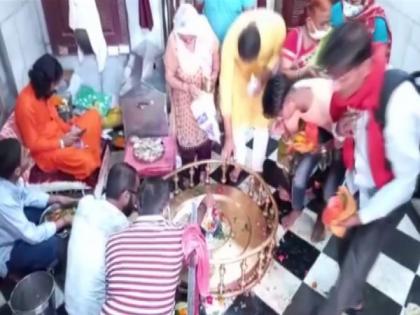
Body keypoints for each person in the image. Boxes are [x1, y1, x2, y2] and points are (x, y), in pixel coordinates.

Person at [314, 22, 420, 315]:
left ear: (365, 66)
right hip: (357, 181)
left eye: (341, 78)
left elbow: (406, 182)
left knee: (355, 265)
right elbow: (344, 135)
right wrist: (340, 128)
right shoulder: (353, 89)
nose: (336, 86)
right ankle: (354, 298)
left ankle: (341, 301)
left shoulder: (398, 103)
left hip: (387, 196)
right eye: (332, 77)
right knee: (343, 246)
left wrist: (362, 216)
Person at [262, 74, 345, 241]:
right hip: (320, 133)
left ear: (288, 102)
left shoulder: (327, 97)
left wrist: (322, 149)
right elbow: (291, 135)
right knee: (299, 175)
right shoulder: (292, 97)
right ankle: (296, 209)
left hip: (344, 139)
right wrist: (285, 133)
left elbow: (339, 142)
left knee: (329, 192)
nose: (280, 119)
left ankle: (324, 215)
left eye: (280, 115)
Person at [101, 178, 185, 315]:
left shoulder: (112, 241)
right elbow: (196, 234)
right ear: (166, 208)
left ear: (137, 204)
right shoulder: (178, 236)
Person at [65, 162, 139, 315]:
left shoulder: (86, 203)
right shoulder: (121, 226)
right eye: (136, 193)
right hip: (94, 311)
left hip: (70, 305)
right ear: (125, 196)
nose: (137, 199)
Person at [220, 9, 286, 181]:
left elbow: (278, 54)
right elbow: (225, 89)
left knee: (262, 125)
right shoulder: (229, 44)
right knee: (238, 123)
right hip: (239, 79)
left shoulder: (276, 25)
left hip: (263, 74)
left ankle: (256, 168)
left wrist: (264, 77)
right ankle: (239, 164)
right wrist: (228, 137)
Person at [15, 54, 102, 180]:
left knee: (93, 115)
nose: (57, 87)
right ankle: (87, 156)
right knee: (86, 162)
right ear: (45, 83)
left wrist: (70, 129)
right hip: (48, 152)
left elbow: (55, 118)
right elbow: (33, 145)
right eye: (54, 84)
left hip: (62, 136)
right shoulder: (25, 105)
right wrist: (61, 142)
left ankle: (85, 151)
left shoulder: (43, 92)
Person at [0, 138, 74, 278]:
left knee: (50, 208)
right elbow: (31, 235)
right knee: (55, 246)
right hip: (8, 250)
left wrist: (56, 198)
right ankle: (15, 271)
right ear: (17, 170)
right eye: (24, 153)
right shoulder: (4, 201)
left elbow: (26, 196)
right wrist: (63, 221)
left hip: (15, 230)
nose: (28, 151)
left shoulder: (12, 178)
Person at [164, 4, 219, 176]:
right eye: (184, 38)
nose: (187, 42)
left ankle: (204, 171)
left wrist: (213, 77)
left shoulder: (208, 36)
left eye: (191, 38)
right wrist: (186, 87)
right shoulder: (174, 42)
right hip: (184, 101)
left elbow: (216, 65)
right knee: (187, 142)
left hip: (204, 98)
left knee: (205, 134)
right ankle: (188, 176)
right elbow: (169, 76)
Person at [282, 0, 332, 80]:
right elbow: (284, 72)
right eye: (322, 24)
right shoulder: (295, 36)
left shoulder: (328, 36)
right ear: (310, 19)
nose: (326, 27)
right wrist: (303, 72)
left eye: (328, 22)